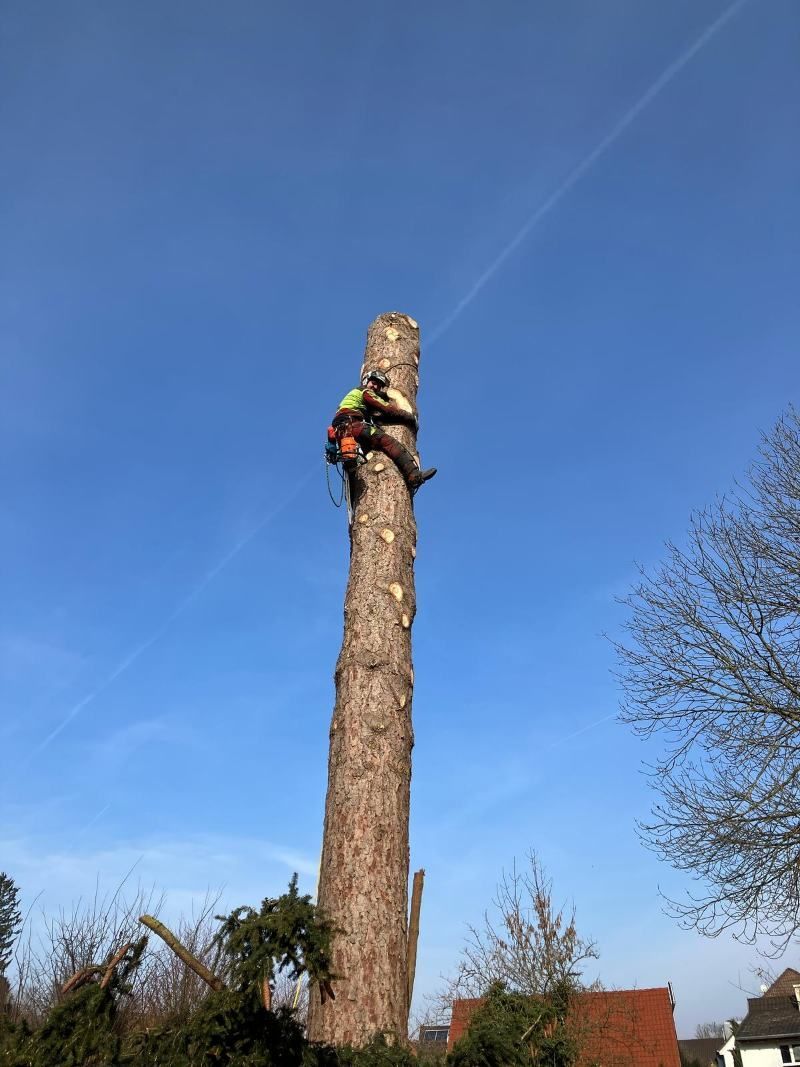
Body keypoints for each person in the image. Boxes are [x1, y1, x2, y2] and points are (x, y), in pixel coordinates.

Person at [329, 370, 437, 491]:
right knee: (389, 442)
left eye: (378, 385)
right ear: (367, 382)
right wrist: (409, 417)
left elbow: (331, 432)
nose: (374, 387)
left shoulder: (347, 403)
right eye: (373, 383)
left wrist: (331, 450)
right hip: (355, 426)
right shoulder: (365, 392)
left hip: (343, 431)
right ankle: (414, 476)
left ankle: (353, 487)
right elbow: (386, 409)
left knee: (355, 460)